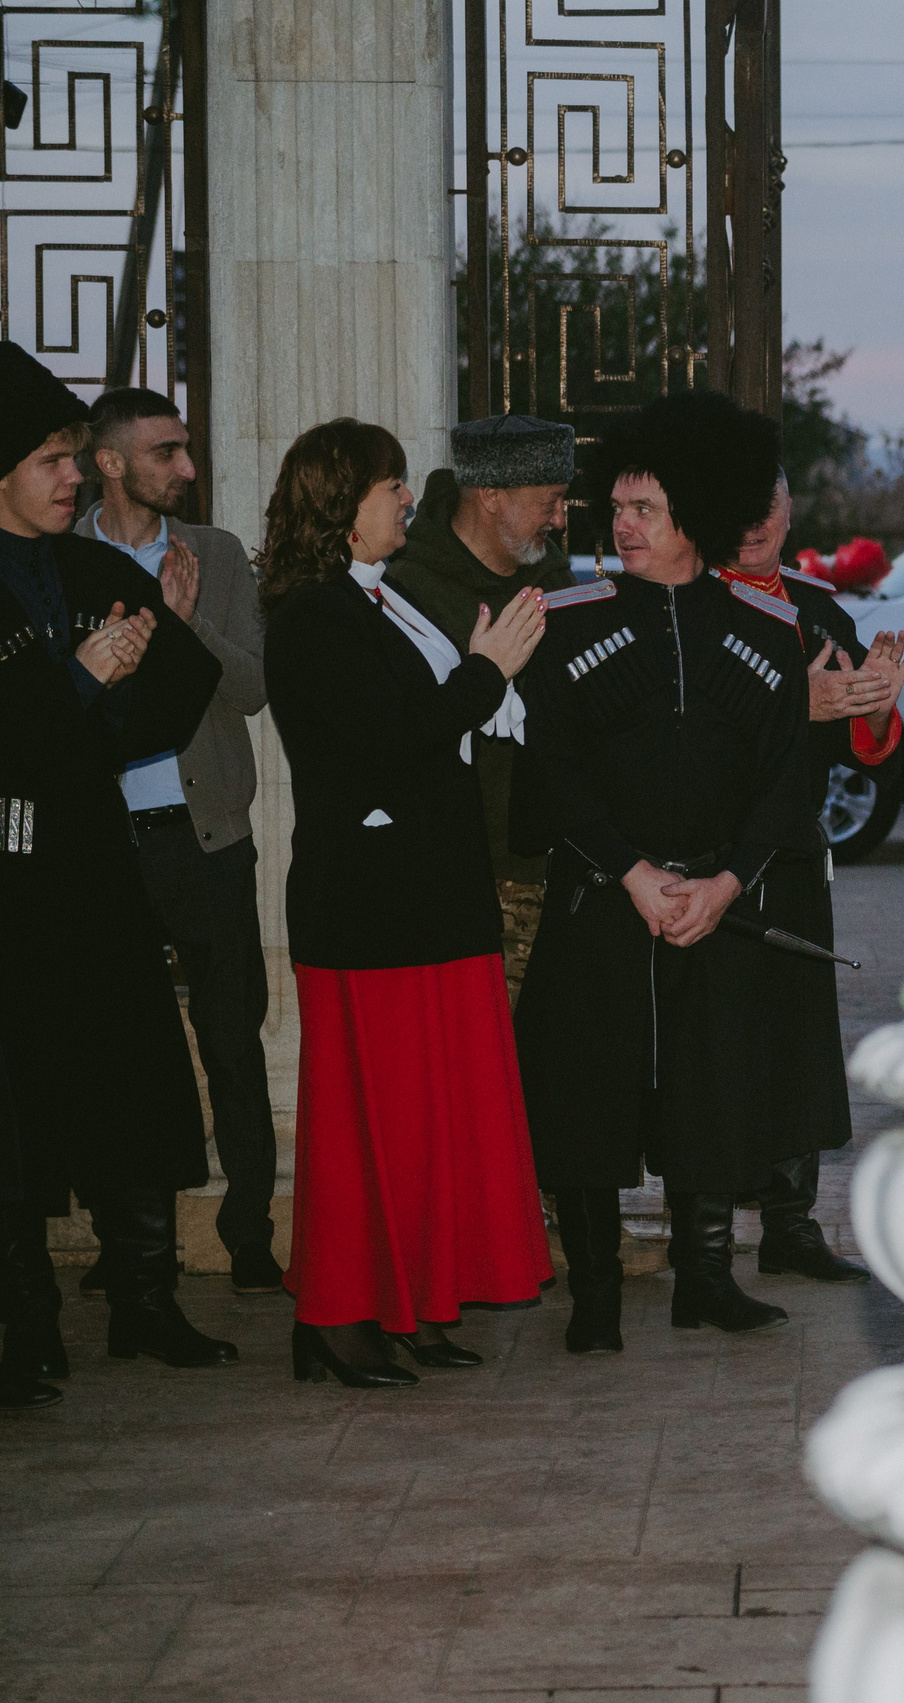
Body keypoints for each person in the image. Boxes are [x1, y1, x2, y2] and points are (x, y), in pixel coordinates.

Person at [511, 390, 823, 1348]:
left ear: (695, 512)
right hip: (602, 902)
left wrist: (726, 883)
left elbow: (786, 786)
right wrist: (631, 873)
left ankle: (707, 1280)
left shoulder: (771, 632)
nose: (622, 525)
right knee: (588, 1097)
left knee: (712, 1092)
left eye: (644, 509)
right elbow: (553, 776)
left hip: (718, 905)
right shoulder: (562, 627)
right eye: (616, 509)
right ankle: (595, 1294)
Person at [260, 417, 555, 1387]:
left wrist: (476, 666)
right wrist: (486, 671)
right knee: (362, 1127)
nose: (407, 500)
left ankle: (414, 1301)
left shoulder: (374, 601)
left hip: (424, 899)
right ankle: (337, 1316)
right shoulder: (311, 615)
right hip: (368, 907)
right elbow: (383, 741)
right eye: (391, 486)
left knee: (424, 1123)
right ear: (340, 508)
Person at [0, 342, 231, 1392]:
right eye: (51, 458)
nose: (75, 477)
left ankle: (146, 1300)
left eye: (75, 458)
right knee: (21, 1109)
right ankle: (24, 1325)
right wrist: (81, 683)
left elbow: (154, 720)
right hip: (13, 882)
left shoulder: (94, 571)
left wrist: (168, 636)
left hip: (98, 869)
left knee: (136, 1082)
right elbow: (29, 742)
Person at [70, 387, 285, 1293]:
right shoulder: (57, 559)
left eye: (188, 449)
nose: (188, 469)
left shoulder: (220, 555)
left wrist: (184, 620)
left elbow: (251, 690)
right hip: (101, 846)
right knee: (111, 1044)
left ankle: (247, 1238)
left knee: (235, 1038)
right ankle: (126, 1240)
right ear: (110, 463)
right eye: (166, 452)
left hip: (207, 837)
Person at [718, 467, 904, 1284]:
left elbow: (867, 749)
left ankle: (792, 1224)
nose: (757, 519)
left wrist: (872, 706)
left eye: (771, 502)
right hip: (713, 859)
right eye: (741, 503)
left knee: (798, 1041)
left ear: (792, 510)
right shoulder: (692, 602)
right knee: (721, 1047)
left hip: (796, 854)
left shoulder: (815, 607)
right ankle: (707, 1233)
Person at [386, 414, 578, 1008]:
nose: (561, 517)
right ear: (490, 496)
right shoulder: (404, 590)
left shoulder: (559, 581)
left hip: (558, 869)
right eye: (549, 500)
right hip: (450, 879)